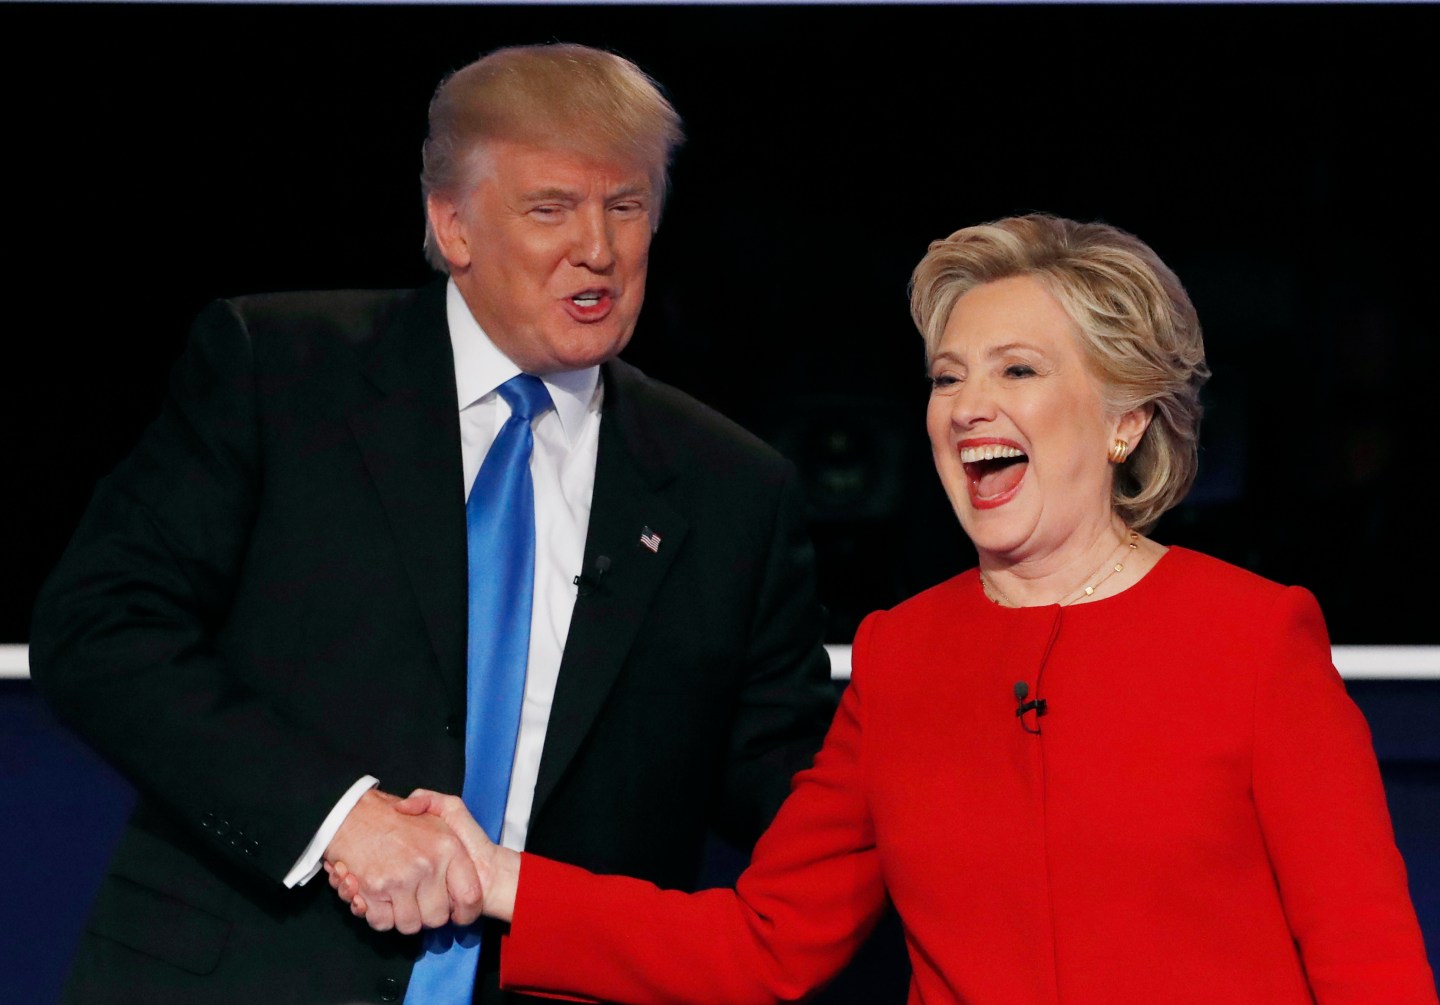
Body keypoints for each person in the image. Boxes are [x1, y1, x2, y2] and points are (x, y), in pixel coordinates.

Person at [339, 214, 1439, 1003]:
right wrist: (497, 879)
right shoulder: (904, 655)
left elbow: (1371, 970)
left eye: (1016, 371)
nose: (968, 408)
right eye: (948, 376)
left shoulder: (1253, 638)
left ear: (1126, 423)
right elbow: (764, 942)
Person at [29, 43, 835, 1005]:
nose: (599, 248)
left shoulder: (729, 486)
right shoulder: (280, 372)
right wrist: (339, 818)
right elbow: (100, 630)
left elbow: (790, 788)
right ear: (452, 224)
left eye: (625, 205)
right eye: (551, 208)